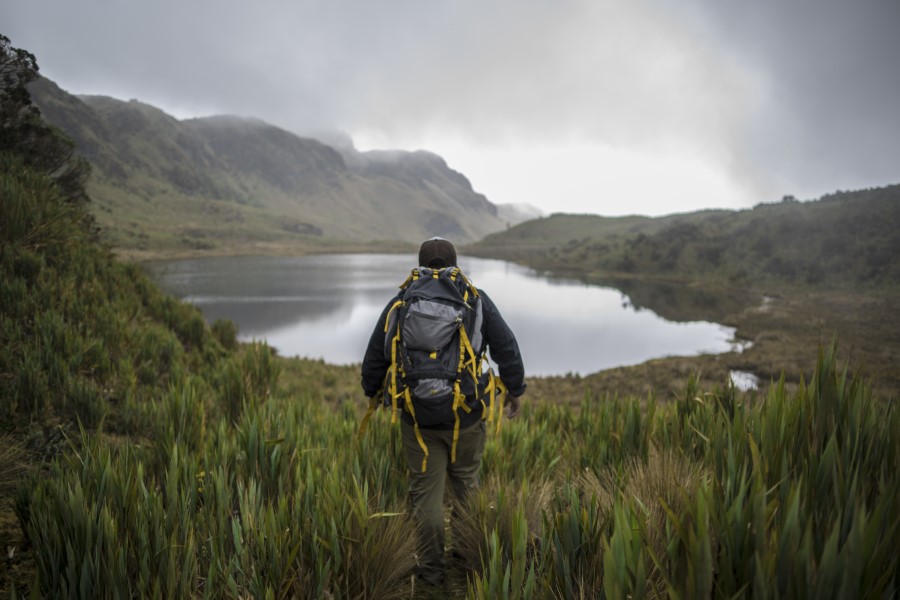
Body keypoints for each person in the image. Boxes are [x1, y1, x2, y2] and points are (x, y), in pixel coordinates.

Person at [360, 237, 526, 586]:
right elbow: (506, 346)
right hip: (465, 416)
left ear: (420, 263)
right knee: (467, 488)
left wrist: (373, 391)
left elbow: (377, 352)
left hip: (417, 418)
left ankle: (432, 575)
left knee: (426, 499)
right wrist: (515, 390)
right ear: (455, 262)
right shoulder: (474, 299)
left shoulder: (403, 300)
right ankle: (469, 564)